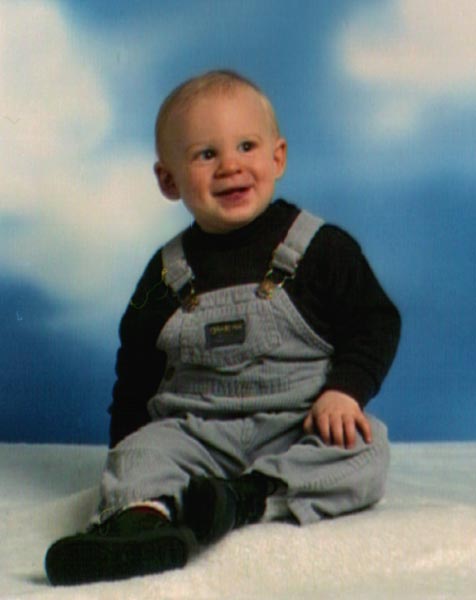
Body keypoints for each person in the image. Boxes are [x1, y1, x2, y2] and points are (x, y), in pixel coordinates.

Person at [45, 70, 401, 586]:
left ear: (277, 157)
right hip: (196, 431)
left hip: (296, 425)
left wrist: (345, 391)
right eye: (205, 154)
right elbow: (136, 368)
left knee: (366, 450)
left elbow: (375, 321)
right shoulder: (165, 274)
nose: (230, 165)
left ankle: (247, 498)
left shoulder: (321, 249)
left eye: (246, 146)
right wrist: (127, 451)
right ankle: (139, 526)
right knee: (141, 454)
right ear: (169, 181)